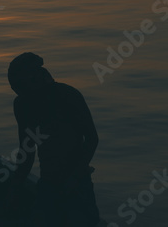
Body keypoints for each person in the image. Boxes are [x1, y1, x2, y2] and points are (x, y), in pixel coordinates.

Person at [8, 53, 100, 226]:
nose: (21, 93)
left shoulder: (69, 96)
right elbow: (26, 150)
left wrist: (75, 177)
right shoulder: (22, 105)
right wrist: (16, 184)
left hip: (78, 182)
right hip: (48, 181)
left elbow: (92, 139)